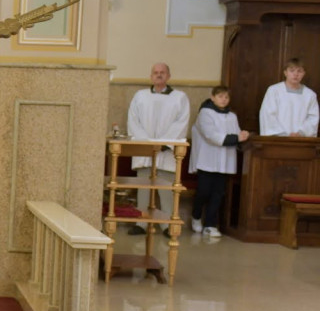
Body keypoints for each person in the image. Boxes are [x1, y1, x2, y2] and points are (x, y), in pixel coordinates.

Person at [126, 63, 190, 234]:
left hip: (166, 151)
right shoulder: (140, 96)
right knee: (143, 188)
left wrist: (164, 143)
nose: (159, 75)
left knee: (166, 190)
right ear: (151, 76)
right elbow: (133, 121)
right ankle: (141, 222)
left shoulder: (180, 97)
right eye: (155, 72)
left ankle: (167, 225)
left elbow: (181, 122)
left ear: (168, 76)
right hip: (145, 150)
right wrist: (146, 143)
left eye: (162, 72)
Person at [188, 86, 249, 238]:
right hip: (207, 159)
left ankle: (210, 225)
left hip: (225, 160)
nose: (223, 100)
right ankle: (196, 215)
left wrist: (242, 135)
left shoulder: (232, 116)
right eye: (220, 96)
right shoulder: (205, 113)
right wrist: (236, 138)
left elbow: (236, 132)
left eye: (226, 97)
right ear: (213, 97)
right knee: (204, 191)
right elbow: (211, 135)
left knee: (218, 194)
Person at [258, 58, 319, 137]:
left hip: (301, 139)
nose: (296, 74)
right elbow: (267, 115)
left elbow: (313, 118)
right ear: (285, 72)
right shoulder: (274, 91)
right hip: (277, 139)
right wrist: (282, 134)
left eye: (299, 71)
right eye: (292, 70)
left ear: (304, 73)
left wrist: (301, 133)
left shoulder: (310, 95)